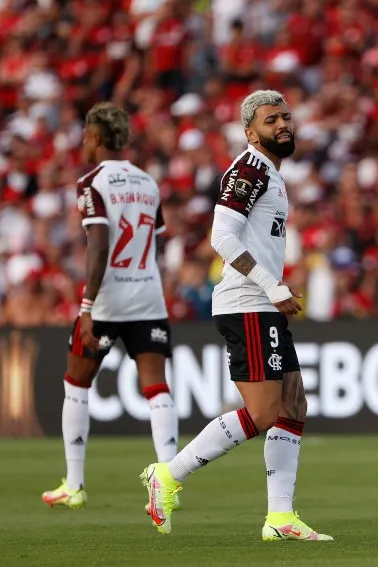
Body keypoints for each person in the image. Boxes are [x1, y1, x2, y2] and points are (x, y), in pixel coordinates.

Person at [140, 90, 333, 542]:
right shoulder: (249, 168)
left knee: (293, 404)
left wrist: (277, 285)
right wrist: (270, 285)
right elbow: (221, 237)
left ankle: (280, 518)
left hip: (262, 302)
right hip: (246, 304)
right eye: (272, 120)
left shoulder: (272, 173)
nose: (283, 124)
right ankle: (168, 475)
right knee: (265, 411)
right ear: (251, 132)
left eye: (286, 116)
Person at [42, 103, 178, 509]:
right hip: (148, 297)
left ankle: (75, 484)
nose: (83, 142)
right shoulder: (148, 183)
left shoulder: (91, 182)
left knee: (76, 383)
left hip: (106, 303)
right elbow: (157, 238)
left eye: (85, 135)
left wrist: (86, 306)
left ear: (97, 138)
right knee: (157, 387)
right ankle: (168, 479)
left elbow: (98, 245)